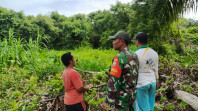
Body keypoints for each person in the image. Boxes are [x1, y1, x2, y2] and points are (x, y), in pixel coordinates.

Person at [102, 31, 139, 111]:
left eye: (115, 40)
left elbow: (113, 81)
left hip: (121, 100)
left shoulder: (119, 57)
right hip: (132, 97)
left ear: (122, 41)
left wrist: (108, 100)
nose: (113, 42)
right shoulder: (134, 55)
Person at [133, 32, 159, 111]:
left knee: (142, 108)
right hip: (152, 82)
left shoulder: (136, 54)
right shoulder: (154, 53)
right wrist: (156, 80)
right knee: (150, 107)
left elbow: (134, 71)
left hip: (142, 84)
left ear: (137, 41)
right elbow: (156, 69)